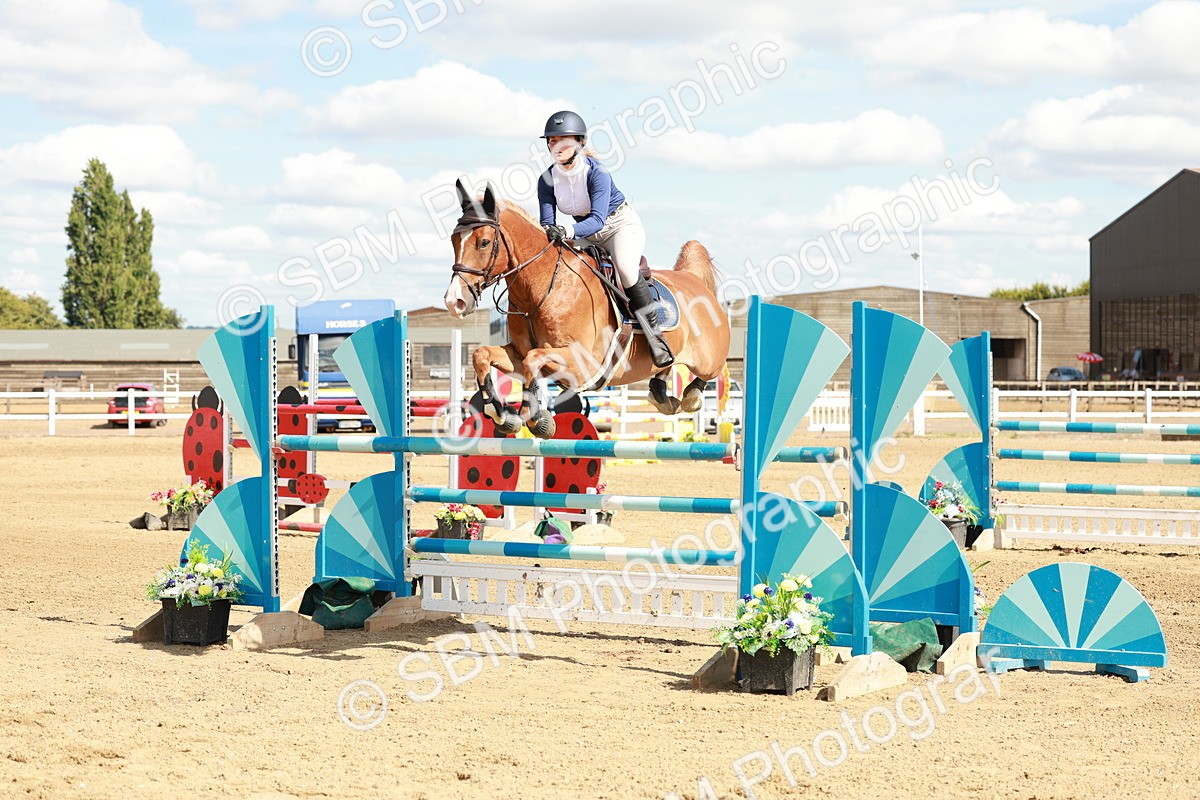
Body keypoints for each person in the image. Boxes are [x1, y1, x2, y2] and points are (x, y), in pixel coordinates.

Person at [536, 110, 673, 368]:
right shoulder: (546, 180)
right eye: (552, 141)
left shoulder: (597, 172)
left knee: (625, 270)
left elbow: (598, 220)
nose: (557, 146)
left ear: (579, 143)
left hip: (618, 226)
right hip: (583, 233)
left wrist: (566, 232)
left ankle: (656, 338)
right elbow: (547, 222)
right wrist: (552, 233)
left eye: (563, 140)